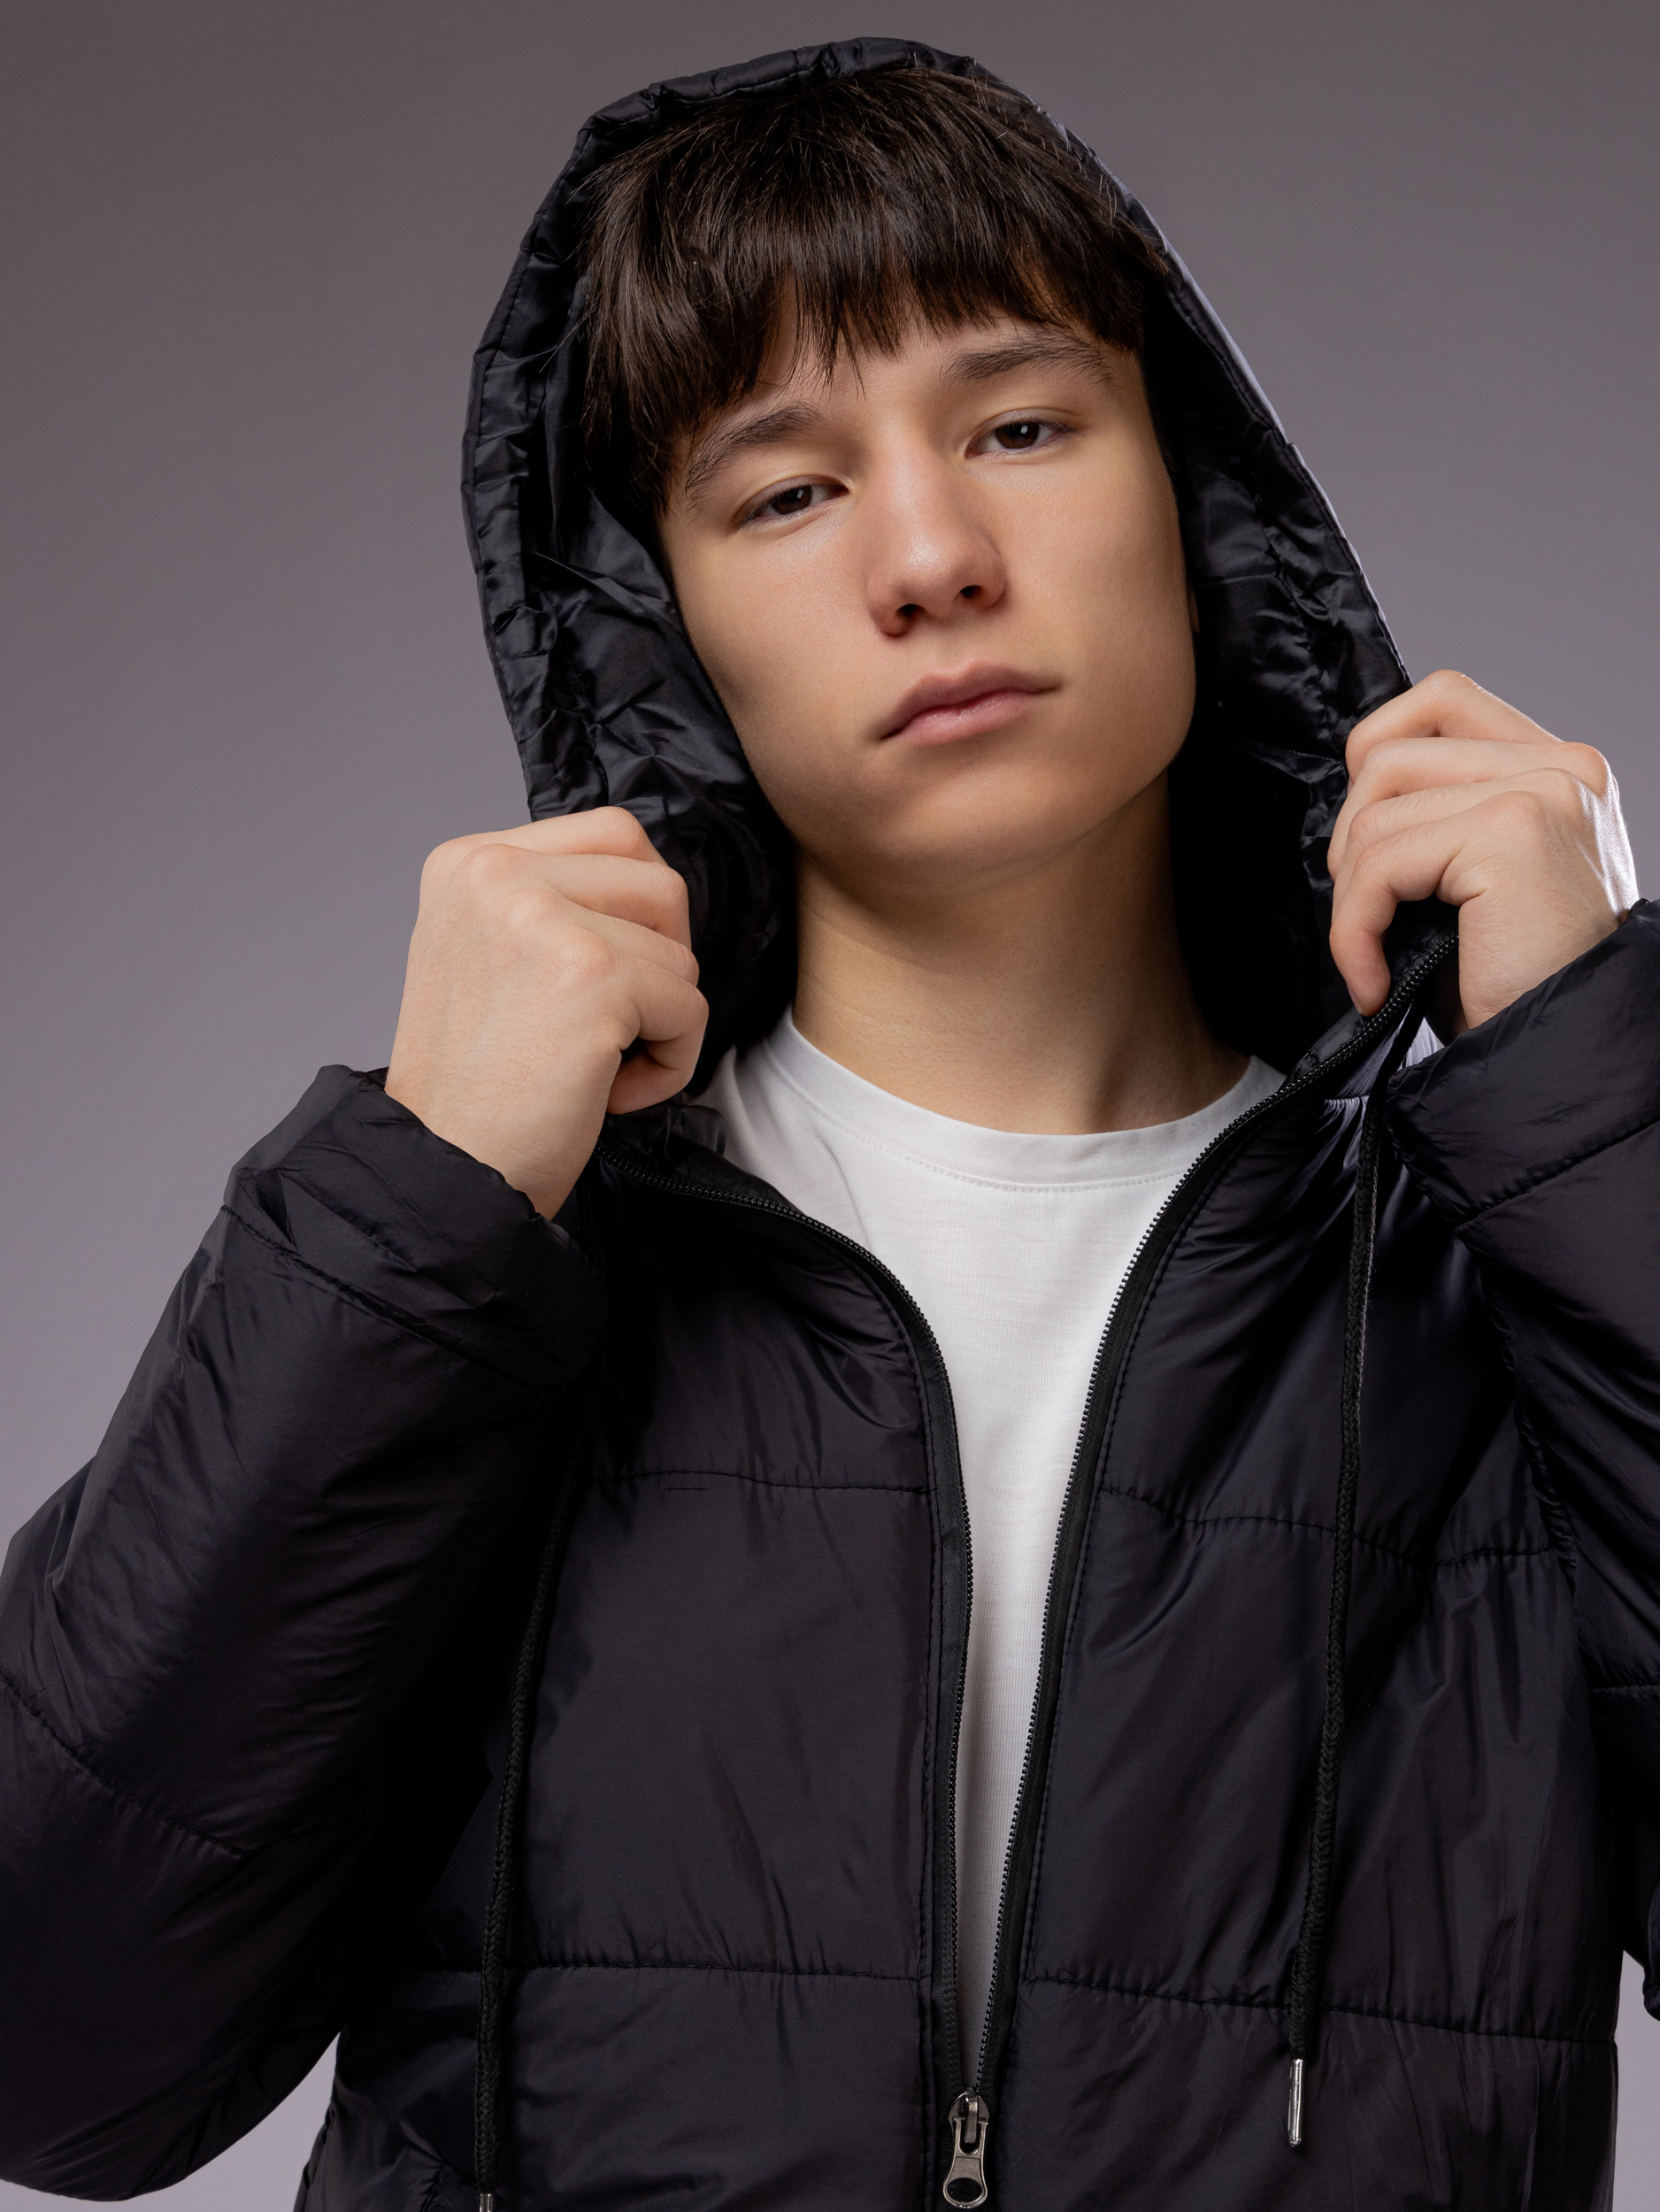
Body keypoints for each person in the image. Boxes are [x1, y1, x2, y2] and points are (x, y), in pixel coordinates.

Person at [0, 39, 1652, 2212]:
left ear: (1192, 507)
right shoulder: (496, 1275)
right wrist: (414, 1211)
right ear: (660, 623)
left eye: (1020, 426)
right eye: (783, 491)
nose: (931, 556)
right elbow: (58, 2053)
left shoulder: (1507, 1282)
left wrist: (1598, 1093)